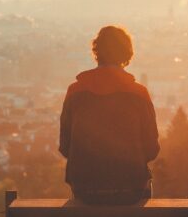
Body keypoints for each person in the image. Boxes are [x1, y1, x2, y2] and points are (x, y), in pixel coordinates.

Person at [59, 25, 160, 204]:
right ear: (127, 54)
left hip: (85, 190)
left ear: (97, 52)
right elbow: (151, 149)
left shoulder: (75, 92)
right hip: (130, 189)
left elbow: (65, 146)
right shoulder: (139, 94)